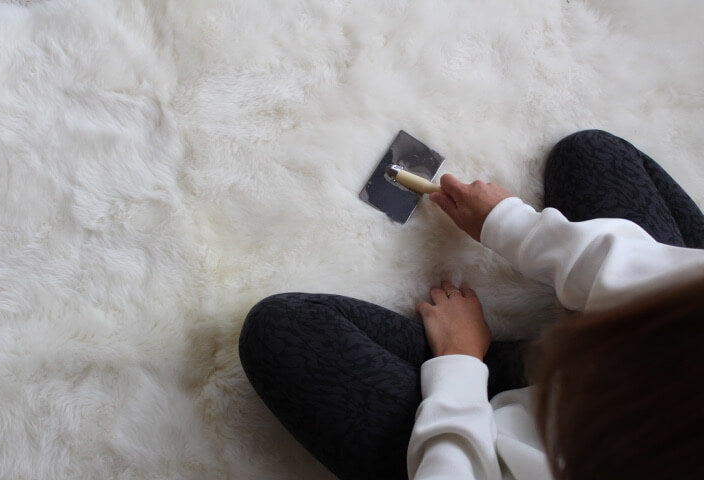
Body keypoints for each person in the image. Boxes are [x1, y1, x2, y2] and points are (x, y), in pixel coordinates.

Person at [238, 130, 704, 479]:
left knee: (284, 329)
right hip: (599, 376)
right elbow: (657, 278)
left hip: (489, 449)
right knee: (591, 153)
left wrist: (459, 360)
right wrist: (512, 225)